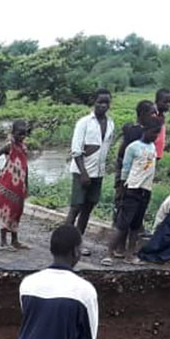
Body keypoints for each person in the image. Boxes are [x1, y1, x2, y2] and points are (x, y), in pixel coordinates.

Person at [105, 116, 159, 264]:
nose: (155, 136)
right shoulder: (133, 147)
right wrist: (122, 188)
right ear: (145, 130)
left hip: (145, 190)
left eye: (157, 134)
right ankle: (109, 253)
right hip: (132, 189)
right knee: (122, 225)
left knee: (135, 226)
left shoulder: (153, 147)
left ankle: (130, 254)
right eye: (153, 133)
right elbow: (125, 169)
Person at [65, 89, 114, 251]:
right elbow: (76, 149)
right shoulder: (84, 122)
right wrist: (84, 173)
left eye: (106, 102)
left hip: (98, 173)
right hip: (82, 172)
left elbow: (105, 149)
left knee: (88, 207)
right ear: (94, 101)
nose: (103, 105)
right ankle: (64, 241)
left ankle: (77, 242)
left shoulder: (111, 124)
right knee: (76, 207)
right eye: (100, 102)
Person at [0, 119, 30, 251]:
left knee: (17, 212)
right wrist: (1, 172)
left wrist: (26, 184)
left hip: (18, 186)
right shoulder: (9, 146)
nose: (21, 137)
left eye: (24, 134)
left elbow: (25, 167)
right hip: (7, 186)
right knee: (7, 212)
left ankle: (15, 241)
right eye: (19, 134)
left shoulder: (23, 146)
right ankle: (3, 243)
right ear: (13, 133)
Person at [112, 100, 155, 223]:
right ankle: (117, 226)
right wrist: (122, 178)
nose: (154, 117)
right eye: (152, 114)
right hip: (128, 172)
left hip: (137, 173)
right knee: (122, 199)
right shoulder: (135, 131)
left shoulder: (143, 131)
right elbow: (123, 154)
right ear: (142, 114)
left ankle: (127, 225)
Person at [153, 88, 170, 159]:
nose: (168, 105)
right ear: (156, 101)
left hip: (157, 154)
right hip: (149, 154)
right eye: (165, 102)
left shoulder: (162, 115)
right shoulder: (152, 115)